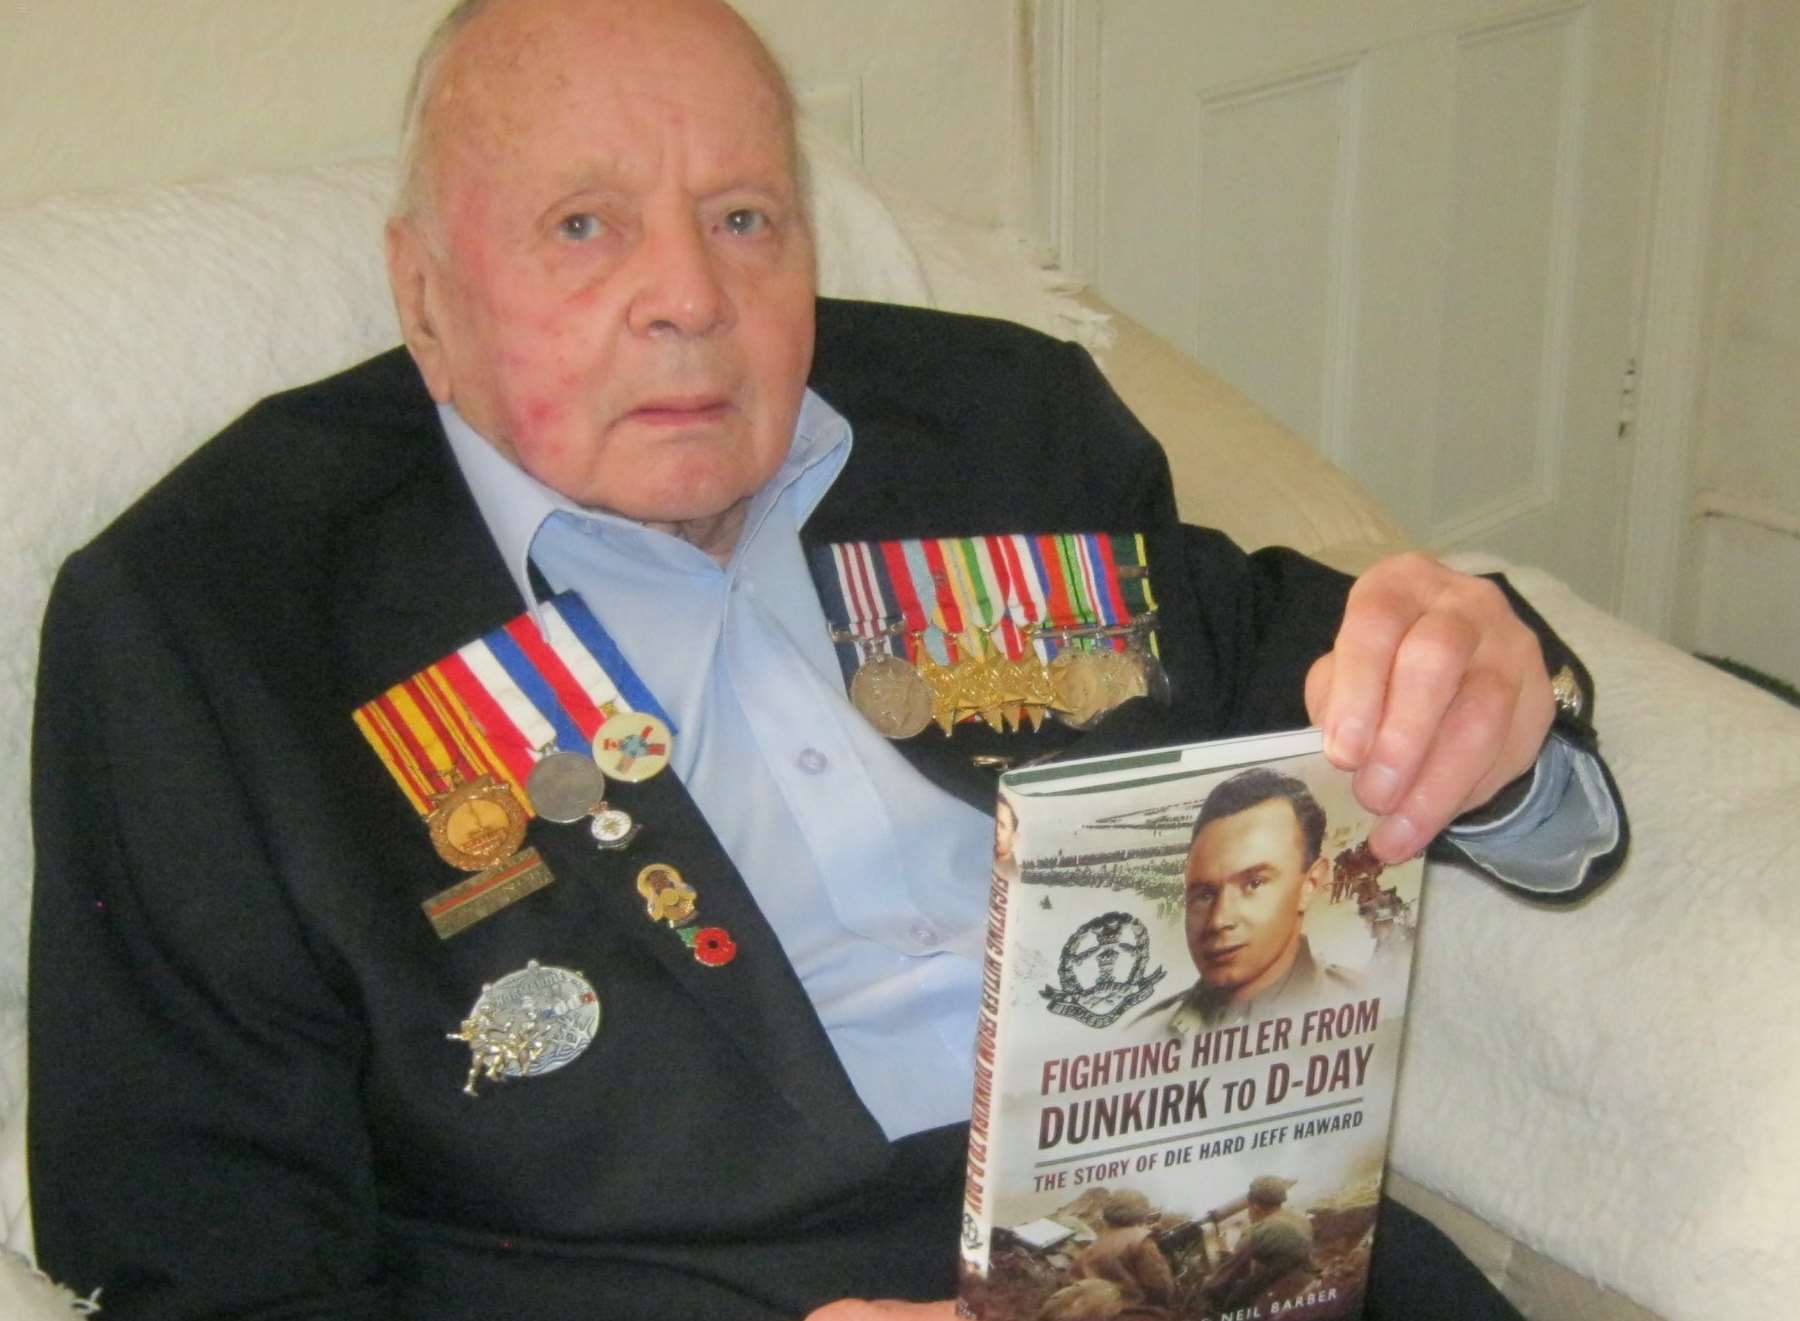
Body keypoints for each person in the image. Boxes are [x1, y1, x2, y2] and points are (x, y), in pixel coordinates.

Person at [27, 1, 1623, 1317]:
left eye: (742, 219)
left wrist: (1490, 703)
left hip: (1207, 1255)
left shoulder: (1000, 428)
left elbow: (1344, 679)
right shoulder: (212, 629)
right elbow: (208, 1260)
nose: (687, 300)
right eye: (584, 226)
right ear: (422, 292)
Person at [1139, 768, 1358, 1032]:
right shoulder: (1146, 1034)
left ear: (1309, 885)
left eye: (1253, 883)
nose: (1219, 919)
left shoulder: (1365, 1006)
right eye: (1204, 895)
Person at [1200, 1177, 1317, 1313]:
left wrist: (1206, 1285)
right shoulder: (1300, 1218)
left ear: (1254, 1206)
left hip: (1279, 1295)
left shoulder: (1257, 1232)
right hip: (1309, 1281)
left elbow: (1229, 1275)